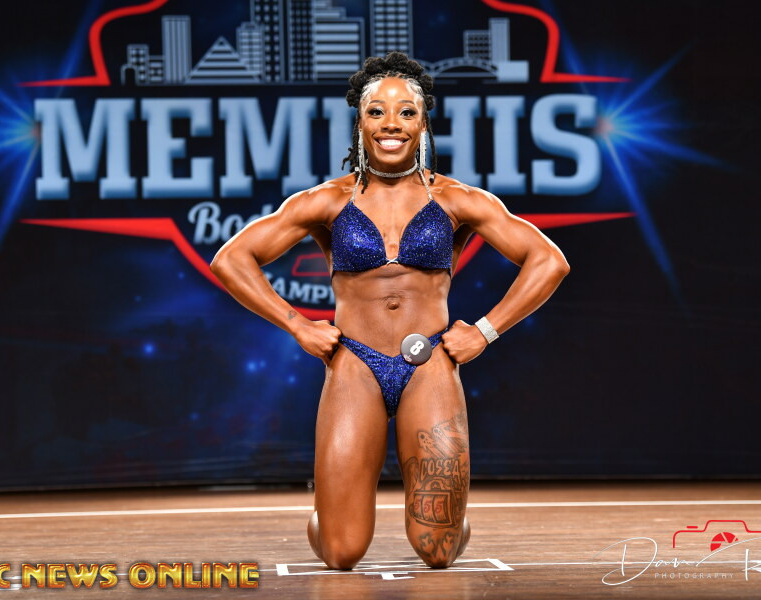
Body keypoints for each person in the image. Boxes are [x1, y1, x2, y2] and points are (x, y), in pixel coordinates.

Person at [210, 52, 570, 570]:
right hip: (354, 363)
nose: (391, 124)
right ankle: (331, 509)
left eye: (406, 112)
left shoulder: (457, 199)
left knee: (436, 550)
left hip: (429, 365)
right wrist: (296, 325)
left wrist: (485, 331)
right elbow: (231, 259)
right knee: (341, 552)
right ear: (360, 121)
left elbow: (549, 261)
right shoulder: (327, 200)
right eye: (377, 111)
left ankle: (452, 518)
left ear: (423, 123)